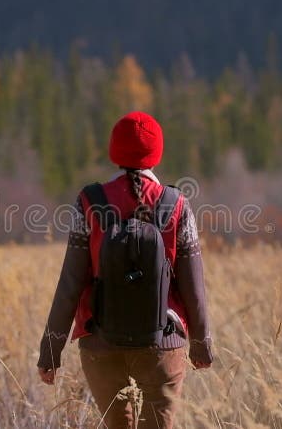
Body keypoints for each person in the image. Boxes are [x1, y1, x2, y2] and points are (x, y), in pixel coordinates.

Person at [36, 111, 213, 429]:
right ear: (156, 152)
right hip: (163, 343)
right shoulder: (177, 204)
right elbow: (193, 286)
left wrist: (50, 352)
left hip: (100, 343)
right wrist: (202, 344)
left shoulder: (89, 202)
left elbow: (71, 283)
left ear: (114, 151)